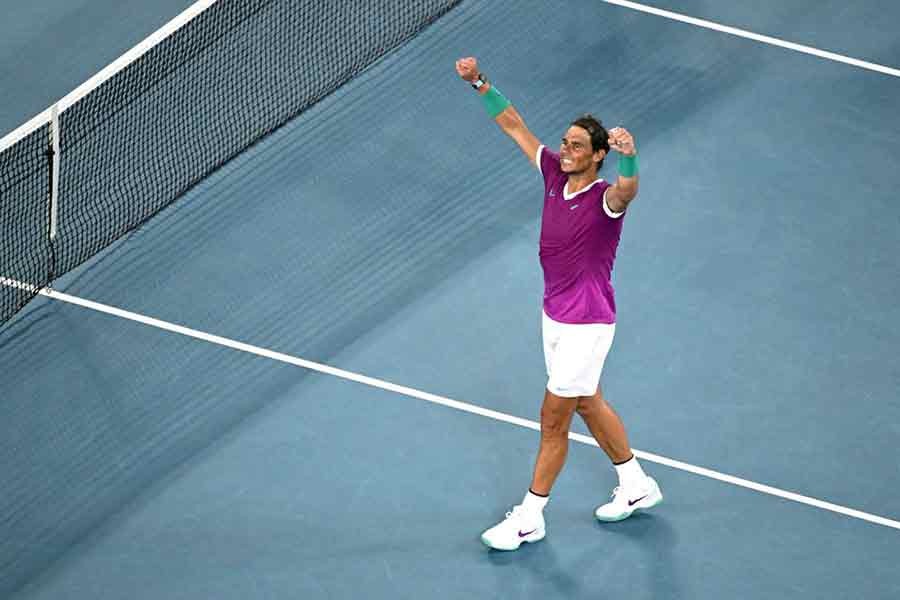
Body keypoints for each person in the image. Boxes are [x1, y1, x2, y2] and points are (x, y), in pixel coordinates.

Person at [454, 57, 663, 551]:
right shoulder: (552, 172)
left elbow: (629, 188)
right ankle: (636, 485)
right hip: (555, 315)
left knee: (554, 419)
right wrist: (481, 84)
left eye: (576, 146)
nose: (565, 150)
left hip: (586, 324)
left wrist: (630, 157)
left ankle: (530, 517)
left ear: (597, 157)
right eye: (565, 143)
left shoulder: (605, 200)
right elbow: (514, 125)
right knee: (588, 402)